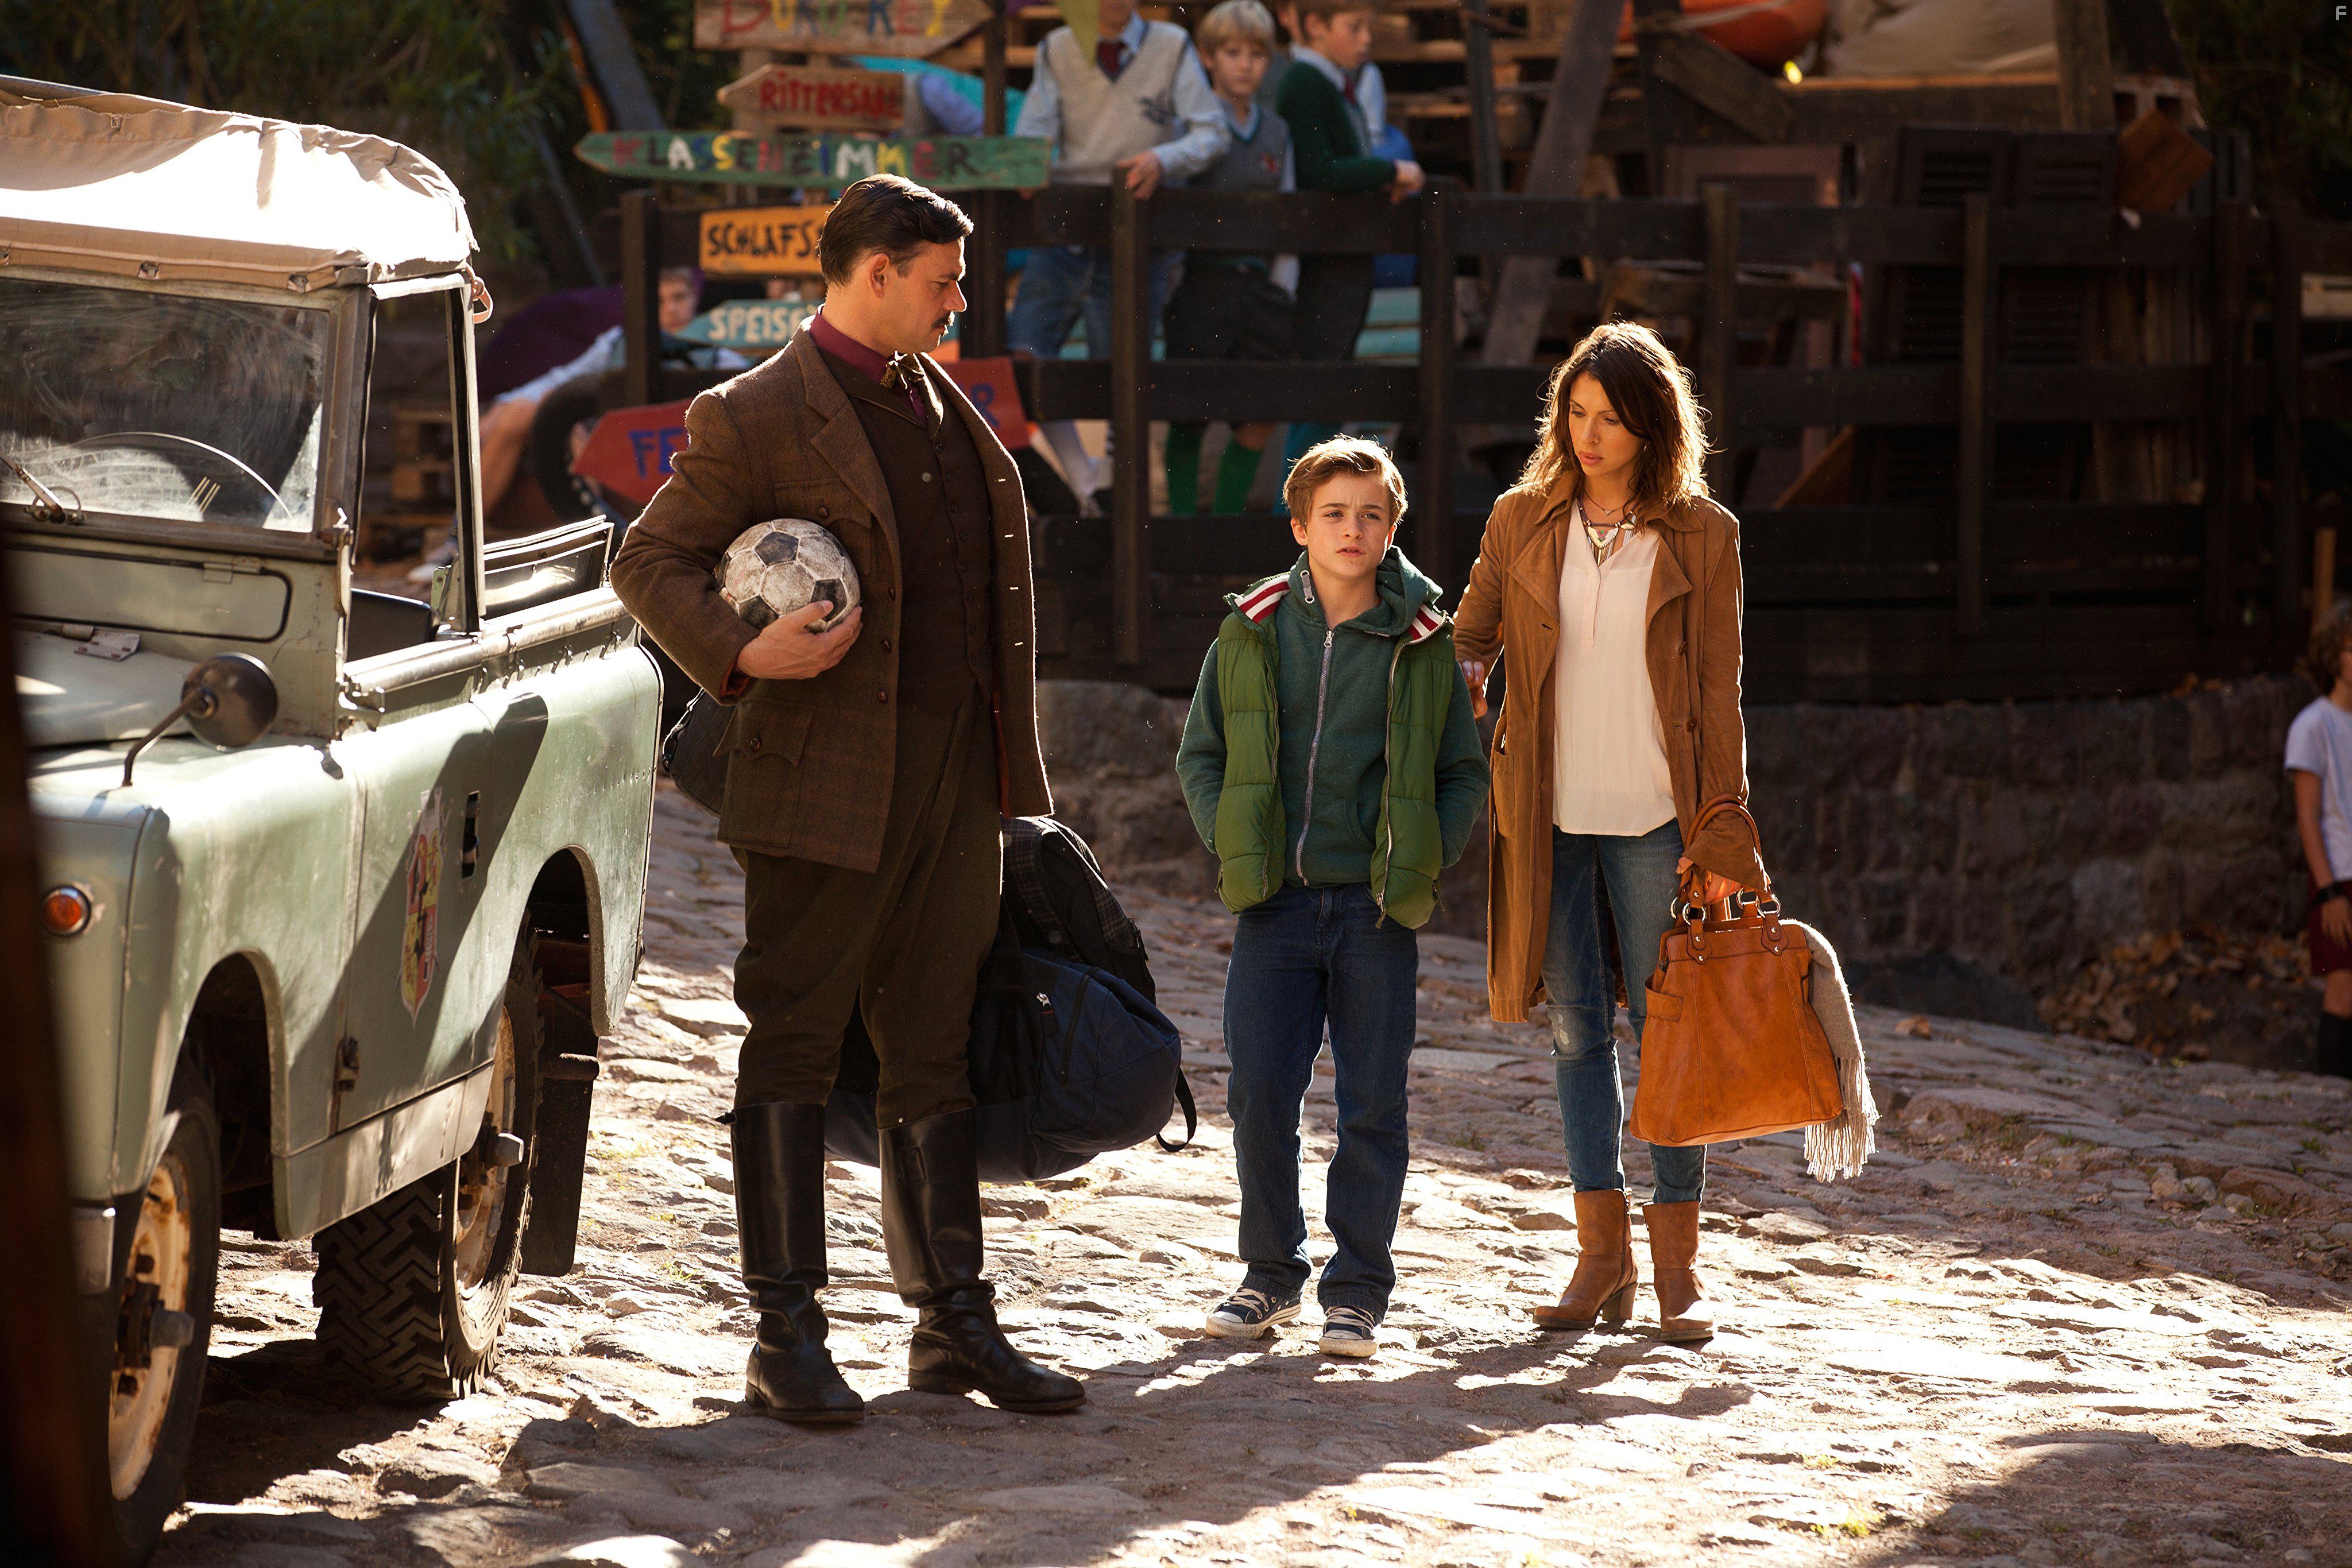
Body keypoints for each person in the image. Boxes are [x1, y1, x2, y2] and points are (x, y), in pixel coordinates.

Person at [609, 175, 1082, 1422]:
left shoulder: (936, 396)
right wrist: (739, 649)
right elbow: (645, 558)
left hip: (957, 778)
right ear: (877, 273)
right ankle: (785, 1338)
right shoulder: (755, 411)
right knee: (796, 1040)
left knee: (936, 1045)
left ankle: (952, 1327)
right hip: (821, 781)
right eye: (943, 280)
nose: (959, 300)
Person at [1453, 322, 1766, 1345]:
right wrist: (1463, 679)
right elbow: (1469, 638)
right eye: (1577, 413)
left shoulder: (1704, 532)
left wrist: (1723, 831)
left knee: (1671, 1032)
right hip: (1545, 812)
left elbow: (1717, 694)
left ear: (1652, 425)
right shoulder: (1519, 517)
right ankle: (1601, 1257)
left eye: (1612, 418)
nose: (1589, 436)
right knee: (1575, 1031)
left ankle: (1678, 1266)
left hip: (1657, 817)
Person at [1175, 437, 1488, 1357]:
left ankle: (1357, 1290)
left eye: (1372, 514)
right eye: (1335, 513)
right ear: (1301, 525)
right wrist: (1234, 838)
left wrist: (1426, 853)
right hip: (1273, 905)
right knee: (1259, 1092)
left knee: (1372, 1103)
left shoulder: (1423, 641)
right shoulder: (1250, 630)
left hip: (1374, 911)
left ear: (1393, 529)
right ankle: (1271, 1273)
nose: (1354, 528)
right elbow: (1201, 752)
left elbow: (1461, 770)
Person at [1010, 0, 1230, 509]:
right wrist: (1027, 164)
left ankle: (1110, 498)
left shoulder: (1171, 45)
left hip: (1135, 233)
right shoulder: (1058, 47)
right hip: (1066, 232)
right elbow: (1034, 132)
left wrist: (1163, 158)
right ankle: (1087, 483)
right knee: (1021, 355)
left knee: (1120, 378)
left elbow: (1212, 131)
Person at [1273, 0, 1423, 487]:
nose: (1365, 39)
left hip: (1342, 254)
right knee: (1321, 392)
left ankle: (1303, 511)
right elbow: (1319, 170)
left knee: (1329, 391)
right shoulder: (1306, 82)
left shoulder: (1335, 83)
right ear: (1315, 25)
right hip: (1323, 258)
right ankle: (1292, 513)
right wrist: (1389, 170)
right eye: (1353, 27)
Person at [1162, 0, 1296, 516]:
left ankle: (1226, 526)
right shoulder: (1191, 128)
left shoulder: (1277, 131)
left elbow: (1289, 211)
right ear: (1207, 57)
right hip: (1201, 283)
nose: (1245, 65)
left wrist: (1281, 286)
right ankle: (1181, 530)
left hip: (1259, 287)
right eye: (1233, 53)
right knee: (1187, 412)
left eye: (1256, 55)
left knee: (1260, 413)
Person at [475, 268, 740, 518]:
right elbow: (564, 379)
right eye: (660, 300)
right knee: (542, 414)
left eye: (679, 298)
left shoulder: (720, 352)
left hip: (682, 449)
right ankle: (591, 527)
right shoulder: (617, 342)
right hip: (623, 444)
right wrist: (505, 405)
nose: (670, 309)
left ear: (694, 298)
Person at [2287, 603, 2352, 1079]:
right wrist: (2329, 891)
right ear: (2333, 656)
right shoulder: (2313, 725)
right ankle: (2330, 1097)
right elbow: (2308, 815)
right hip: (2340, 876)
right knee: (2343, 990)